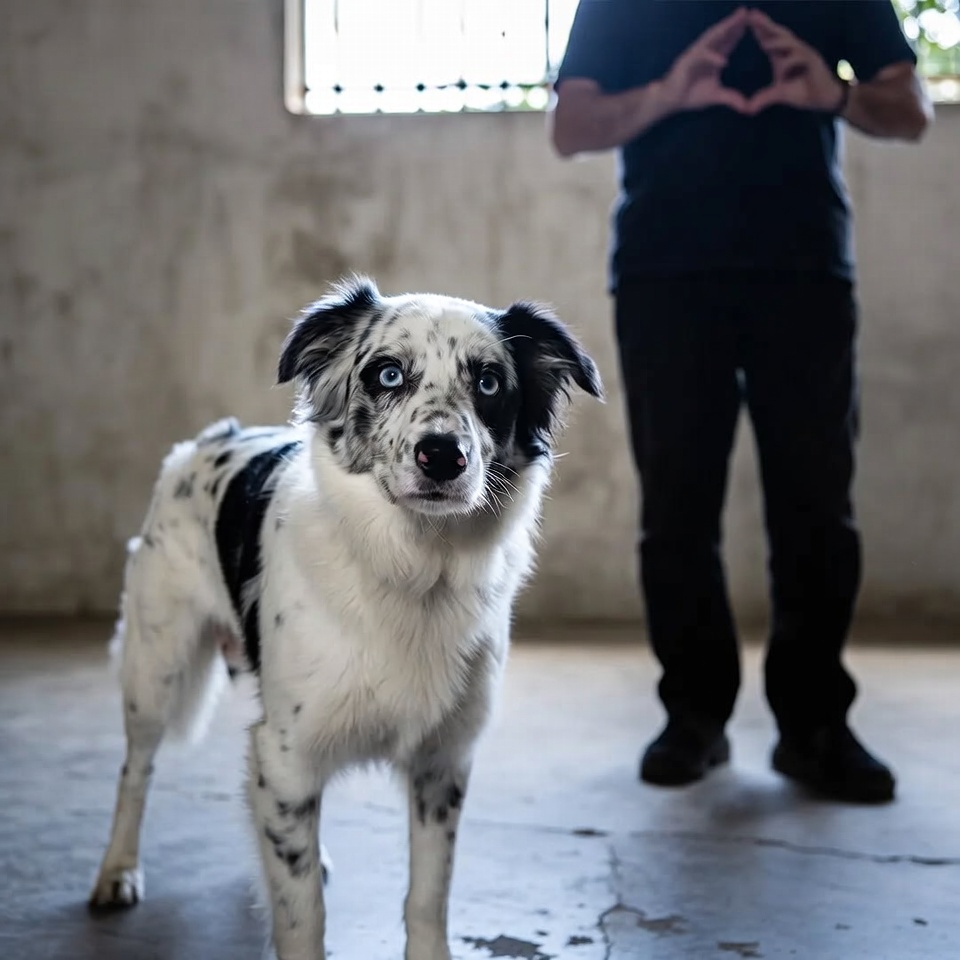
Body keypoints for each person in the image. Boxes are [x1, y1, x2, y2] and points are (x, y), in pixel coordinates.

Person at [550, 1, 933, 803]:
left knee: (818, 506)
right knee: (677, 506)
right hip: (664, 274)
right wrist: (670, 92)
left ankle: (815, 727)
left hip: (806, 272)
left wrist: (832, 95)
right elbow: (572, 125)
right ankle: (694, 716)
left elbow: (911, 110)